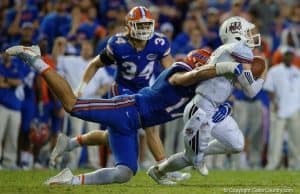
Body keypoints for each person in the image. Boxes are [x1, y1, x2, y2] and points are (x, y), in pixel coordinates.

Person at [5, 44, 242, 185]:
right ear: (200, 67)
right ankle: (34, 58)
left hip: (133, 125)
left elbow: (208, 106)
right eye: (207, 71)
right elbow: (187, 78)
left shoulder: (199, 93)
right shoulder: (180, 71)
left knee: (125, 173)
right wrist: (216, 69)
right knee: (71, 105)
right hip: (126, 109)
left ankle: (71, 179)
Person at [147, 16, 267, 185]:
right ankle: (159, 171)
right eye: (247, 31)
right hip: (200, 109)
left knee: (237, 144)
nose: (250, 35)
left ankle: (200, 153)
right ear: (236, 33)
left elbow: (238, 86)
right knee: (190, 159)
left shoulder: (226, 51)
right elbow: (251, 91)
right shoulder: (238, 48)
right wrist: (264, 71)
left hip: (214, 108)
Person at [72, 6, 180, 179]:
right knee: (129, 131)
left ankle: (74, 142)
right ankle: (162, 168)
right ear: (129, 26)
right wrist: (80, 87)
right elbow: (95, 64)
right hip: (121, 90)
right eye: (140, 25)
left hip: (144, 91)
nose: (145, 29)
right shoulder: (118, 44)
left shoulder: (158, 43)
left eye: (147, 25)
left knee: (124, 133)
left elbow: (171, 70)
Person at [264, 49, 300, 170]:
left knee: (296, 139)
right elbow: (269, 88)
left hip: (295, 109)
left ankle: (295, 164)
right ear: (283, 56)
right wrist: (274, 102)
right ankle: (273, 164)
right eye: (287, 55)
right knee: (276, 138)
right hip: (279, 109)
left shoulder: (297, 71)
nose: (290, 57)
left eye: (291, 55)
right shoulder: (274, 70)